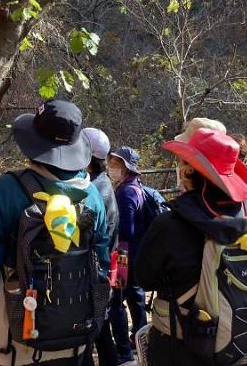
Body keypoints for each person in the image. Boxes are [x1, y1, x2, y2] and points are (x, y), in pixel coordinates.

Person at [0, 99, 110, 366]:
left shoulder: (8, 189)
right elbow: (102, 262)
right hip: (76, 340)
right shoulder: (92, 195)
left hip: (12, 343)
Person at [134, 128, 247, 366]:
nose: (179, 168)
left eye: (183, 162)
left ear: (190, 170)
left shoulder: (170, 224)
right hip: (234, 342)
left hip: (179, 342)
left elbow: (144, 278)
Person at [107, 146, 148, 365]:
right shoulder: (135, 187)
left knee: (116, 303)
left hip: (123, 255)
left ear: (126, 167)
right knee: (135, 297)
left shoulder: (125, 192)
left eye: (116, 163)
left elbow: (127, 230)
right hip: (135, 254)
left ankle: (123, 351)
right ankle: (142, 343)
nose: (111, 167)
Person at [82, 127, 119, 366]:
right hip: (103, 267)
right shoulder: (100, 182)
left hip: (95, 270)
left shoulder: (93, 189)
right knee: (102, 329)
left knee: (94, 331)